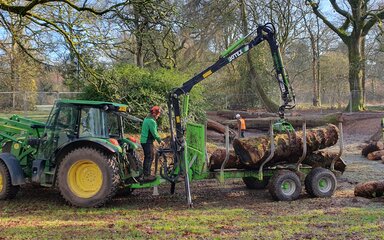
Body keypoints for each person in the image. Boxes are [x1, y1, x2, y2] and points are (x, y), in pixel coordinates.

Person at [140, 106, 164, 181]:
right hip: (147, 141)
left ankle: (146, 174)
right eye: (158, 114)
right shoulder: (151, 121)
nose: (158, 116)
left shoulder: (147, 119)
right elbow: (154, 133)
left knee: (149, 156)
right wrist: (160, 141)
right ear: (154, 114)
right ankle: (146, 175)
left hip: (145, 141)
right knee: (149, 156)